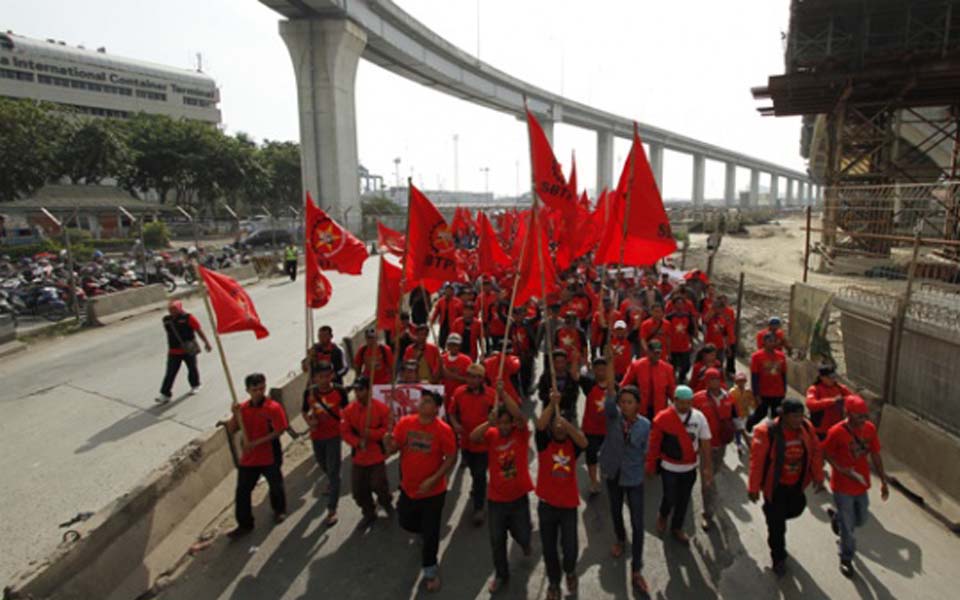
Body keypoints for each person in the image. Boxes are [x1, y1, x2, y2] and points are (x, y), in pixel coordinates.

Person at [384, 390, 457, 592]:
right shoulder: (406, 423)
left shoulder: (443, 430)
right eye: (422, 400)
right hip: (409, 489)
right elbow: (393, 448)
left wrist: (435, 479)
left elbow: (451, 456)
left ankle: (431, 571)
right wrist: (387, 442)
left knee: (431, 533)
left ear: (436, 408)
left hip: (433, 493)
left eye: (427, 401)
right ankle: (422, 531)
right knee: (405, 521)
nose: (422, 403)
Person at [747, 397, 824, 577]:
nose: (799, 420)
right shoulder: (766, 431)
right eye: (795, 417)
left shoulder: (806, 427)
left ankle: (774, 514)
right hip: (775, 487)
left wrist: (818, 476)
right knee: (777, 527)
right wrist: (753, 487)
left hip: (796, 485)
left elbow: (815, 451)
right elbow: (756, 462)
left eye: (801, 416)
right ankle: (778, 557)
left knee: (797, 508)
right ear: (784, 416)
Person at [468, 382, 533, 593]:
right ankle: (501, 574)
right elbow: (473, 437)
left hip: (519, 498)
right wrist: (489, 423)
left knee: (522, 533)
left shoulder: (520, 434)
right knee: (497, 541)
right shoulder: (491, 435)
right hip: (496, 499)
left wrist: (503, 393)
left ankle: (524, 542)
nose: (504, 427)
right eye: (501, 423)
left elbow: (520, 417)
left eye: (508, 423)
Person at [822, 395, 889, 578]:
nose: (863, 420)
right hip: (842, 487)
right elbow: (825, 452)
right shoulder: (836, 432)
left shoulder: (869, 429)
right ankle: (846, 558)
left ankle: (837, 519)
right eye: (859, 416)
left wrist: (883, 481)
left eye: (865, 416)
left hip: (861, 485)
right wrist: (839, 468)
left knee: (861, 519)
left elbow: (875, 454)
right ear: (848, 414)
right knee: (849, 529)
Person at [536, 390, 588, 600]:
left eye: (562, 424)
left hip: (568, 506)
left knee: (570, 547)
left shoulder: (572, 446)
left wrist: (566, 424)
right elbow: (540, 426)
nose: (558, 427)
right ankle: (554, 584)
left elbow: (584, 443)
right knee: (549, 550)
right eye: (555, 424)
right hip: (546, 505)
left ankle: (570, 570)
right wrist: (551, 405)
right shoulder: (544, 443)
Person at [222, 373, 288, 537]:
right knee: (242, 491)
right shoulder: (242, 409)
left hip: (269, 455)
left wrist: (256, 443)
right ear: (248, 390)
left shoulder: (273, 407)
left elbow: (280, 430)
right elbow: (231, 430)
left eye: (262, 388)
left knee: (275, 485)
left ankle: (279, 510)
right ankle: (244, 524)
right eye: (255, 389)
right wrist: (233, 415)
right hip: (249, 459)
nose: (259, 392)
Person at [599, 384, 651, 593]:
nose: (626, 406)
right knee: (615, 510)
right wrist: (611, 366)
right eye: (623, 402)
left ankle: (636, 568)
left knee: (638, 523)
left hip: (634, 477)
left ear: (637, 405)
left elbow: (647, 450)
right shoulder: (613, 418)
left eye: (630, 402)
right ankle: (620, 538)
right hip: (614, 474)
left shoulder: (645, 425)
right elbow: (610, 399)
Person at [645, 385, 713, 545]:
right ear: (674, 400)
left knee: (683, 500)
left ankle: (677, 527)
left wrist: (707, 467)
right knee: (670, 497)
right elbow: (654, 444)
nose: (685, 406)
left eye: (688, 403)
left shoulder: (699, 417)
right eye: (681, 403)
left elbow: (705, 443)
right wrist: (650, 466)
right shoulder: (663, 418)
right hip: (669, 467)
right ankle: (663, 515)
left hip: (690, 467)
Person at [339, 376, 393, 529]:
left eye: (361, 389)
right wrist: (356, 442)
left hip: (376, 455)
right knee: (358, 490)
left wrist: (373, 434)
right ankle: (368, 512)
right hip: (359, 457)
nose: (357, 393)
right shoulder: (349, 410)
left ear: (369, 391)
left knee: (378, 484)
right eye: (355, 390)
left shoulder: (382, 408)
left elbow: (388, 429)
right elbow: (344, 431)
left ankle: (385, 500)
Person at [449, 364, 497, 524]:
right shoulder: (459, 393)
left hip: (483, 443)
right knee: (472, 468)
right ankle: (478, 489)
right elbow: (452, 412)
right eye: (470, 375)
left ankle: (479, 507)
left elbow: (496, 419)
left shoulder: (491, 395)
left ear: (482, 379)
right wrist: (455, 424)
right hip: (465, 442)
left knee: (479, 473)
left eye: (477, 377)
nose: (473, 379)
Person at [302, 362, 348, 527]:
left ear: (332, 375)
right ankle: (332, 479)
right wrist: (309, 421)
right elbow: (304, 410)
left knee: (334, 471)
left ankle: (332, 509)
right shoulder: (310, 392)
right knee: (324, 465)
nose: (324, 380)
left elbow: (347, 410)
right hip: (317, 436)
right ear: (315, 378)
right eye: (320, 377)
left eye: (327, 376)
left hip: (334, 436)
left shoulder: (339, 391)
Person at [692, 368, 737, 530]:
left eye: (715, 379)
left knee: (714, 472)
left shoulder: (729, 398)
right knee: (707, 476)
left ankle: (710, 489)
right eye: (709, 379)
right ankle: (707, 513)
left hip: (722, 444)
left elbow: (735, 417)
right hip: (705, 446)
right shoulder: (697, 399)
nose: (713, 382)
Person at [157, 300, 212, 404]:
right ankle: (165, 394)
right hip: (173, 351)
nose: (172, 311)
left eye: (174, 309)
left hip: (188, 350)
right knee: (170, 373)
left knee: (192, 368)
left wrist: (206, 343)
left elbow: (198, 330)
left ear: (180, 308)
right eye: (170, 309)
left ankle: (195, 385)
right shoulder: (166, 320)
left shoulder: (188, 318)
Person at [620, 340, 676, 422]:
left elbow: (672, 390)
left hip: (659, 410)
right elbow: (624, 385)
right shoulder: (637, 366)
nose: (656, 355)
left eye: (658, 353)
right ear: (648, 352)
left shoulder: (667, 369)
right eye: (654, 352)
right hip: (640, 409)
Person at [578, 357, 611, 495]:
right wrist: (576, 359)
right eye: (598, 369)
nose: (601, 372)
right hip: (591, 428)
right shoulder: (589, 384)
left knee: (607, 455)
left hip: (608, 430)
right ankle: (593, 481)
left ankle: (605, 473)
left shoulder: (613, 387)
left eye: (604, 369)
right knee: (591, 455)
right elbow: (575, 375)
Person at [746, 332, 788, 432]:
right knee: (761, 413)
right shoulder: (757, 356)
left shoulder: (781, 356)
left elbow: (783, 374)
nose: (772, 343)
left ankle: (774, 435)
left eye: (774, 341)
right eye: (770, 341)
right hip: (763, 392)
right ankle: (748, 426)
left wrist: (784, 389)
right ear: (764, 342)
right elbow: (755, 376)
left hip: (778, 392)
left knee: (776, 415)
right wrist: (756, 394)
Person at [805, 364, 852, 441]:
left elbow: (853, 399)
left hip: (837, 427)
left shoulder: (839, 387)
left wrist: (843, 400)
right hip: (821, 430)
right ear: (821, 378)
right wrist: (832, 401)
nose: (832, 379)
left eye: (833, 377)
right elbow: (810, 404)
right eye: (829, 377)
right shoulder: (815, 389)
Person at [538, 349, 580, 422]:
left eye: (562, 362)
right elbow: (541, 395)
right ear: (553, 363)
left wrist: (561, 397)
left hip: (566, 412)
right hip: (549, 412)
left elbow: (574, 395)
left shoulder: (571, 377)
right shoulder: (546, 377)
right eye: (557, 362)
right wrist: (550, 397)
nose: (560, 365)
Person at [666, 290, 698, 384]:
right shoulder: (669, 317)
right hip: (673, 346)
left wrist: (691, 342)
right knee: (673, 366)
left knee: (686, 365)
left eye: (681, 303)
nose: (680, 305)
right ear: (674, 305)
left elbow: (691, 331)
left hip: (684, 346)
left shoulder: (687, 316)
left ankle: (682, 376)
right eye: (678, 303)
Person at [440, 333, 471, 410]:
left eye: (456, 345)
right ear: (447, 345)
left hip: (459, 396)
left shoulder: (466, 360)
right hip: (444, 395)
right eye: (451, 344)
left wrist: (452, 376)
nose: (453, 347)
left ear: (460, 346)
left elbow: (470, 380)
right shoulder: (441, 359)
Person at [729, 372, 756, 452]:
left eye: (742, 381)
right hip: (736, 414)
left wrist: (753, 407)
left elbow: (752, 401)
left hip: (745, 413)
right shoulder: (732, 392)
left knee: (741, 428)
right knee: (739, 429)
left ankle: (740, 441)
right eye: (739, 381)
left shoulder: (748, 391)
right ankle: (740, 444)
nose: (741, 383)